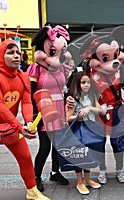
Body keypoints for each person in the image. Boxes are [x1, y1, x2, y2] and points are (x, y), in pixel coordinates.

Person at [0, 40, 49, 200]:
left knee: (25, 158)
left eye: (18, 53)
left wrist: (28, 122)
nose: (16, 56)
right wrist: (20, 127)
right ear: (1, 55)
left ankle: (32, 191)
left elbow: (26, 101)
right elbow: (0, 107)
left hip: (10, 127)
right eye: (10, 52)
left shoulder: (23, 76)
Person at [27, 25, 71, 192]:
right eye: (53, 52)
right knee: (44, 145)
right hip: (44, 110)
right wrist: (33, 114)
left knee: (57, 145)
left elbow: (65, 90)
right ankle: (36, 177)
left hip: (60, 110)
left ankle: (55, 171)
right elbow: (31, 93)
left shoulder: (62, 69)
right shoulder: (36, 69)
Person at [65, 71, 102, 194]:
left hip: (91, 128)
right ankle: (79, 181)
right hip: (78, 129)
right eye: (83, 83)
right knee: (79, 154)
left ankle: (87, 179)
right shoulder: (72, 99)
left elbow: (100, 110)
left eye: (88, 82)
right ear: (77, 84)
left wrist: (90, 108)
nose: (86, 85)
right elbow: (68, 118)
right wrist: (79, 116)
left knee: (89, 153)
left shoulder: (92, 96)